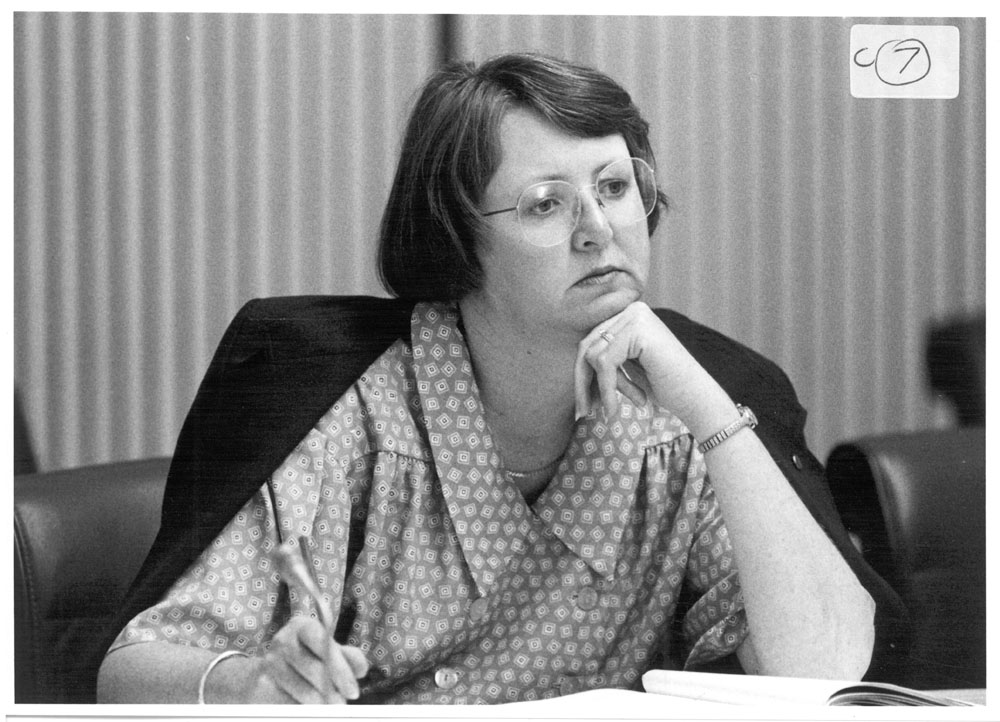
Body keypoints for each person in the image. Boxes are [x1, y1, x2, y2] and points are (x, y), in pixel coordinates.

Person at [96, 52, 905, 705]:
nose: (600, 230)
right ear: (456, 241)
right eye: (545, 205)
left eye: (616, 188)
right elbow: (126, 675)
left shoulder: (679, 415)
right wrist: (247, 683)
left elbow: (824, 673)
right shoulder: (355, 412)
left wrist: (709, 410)